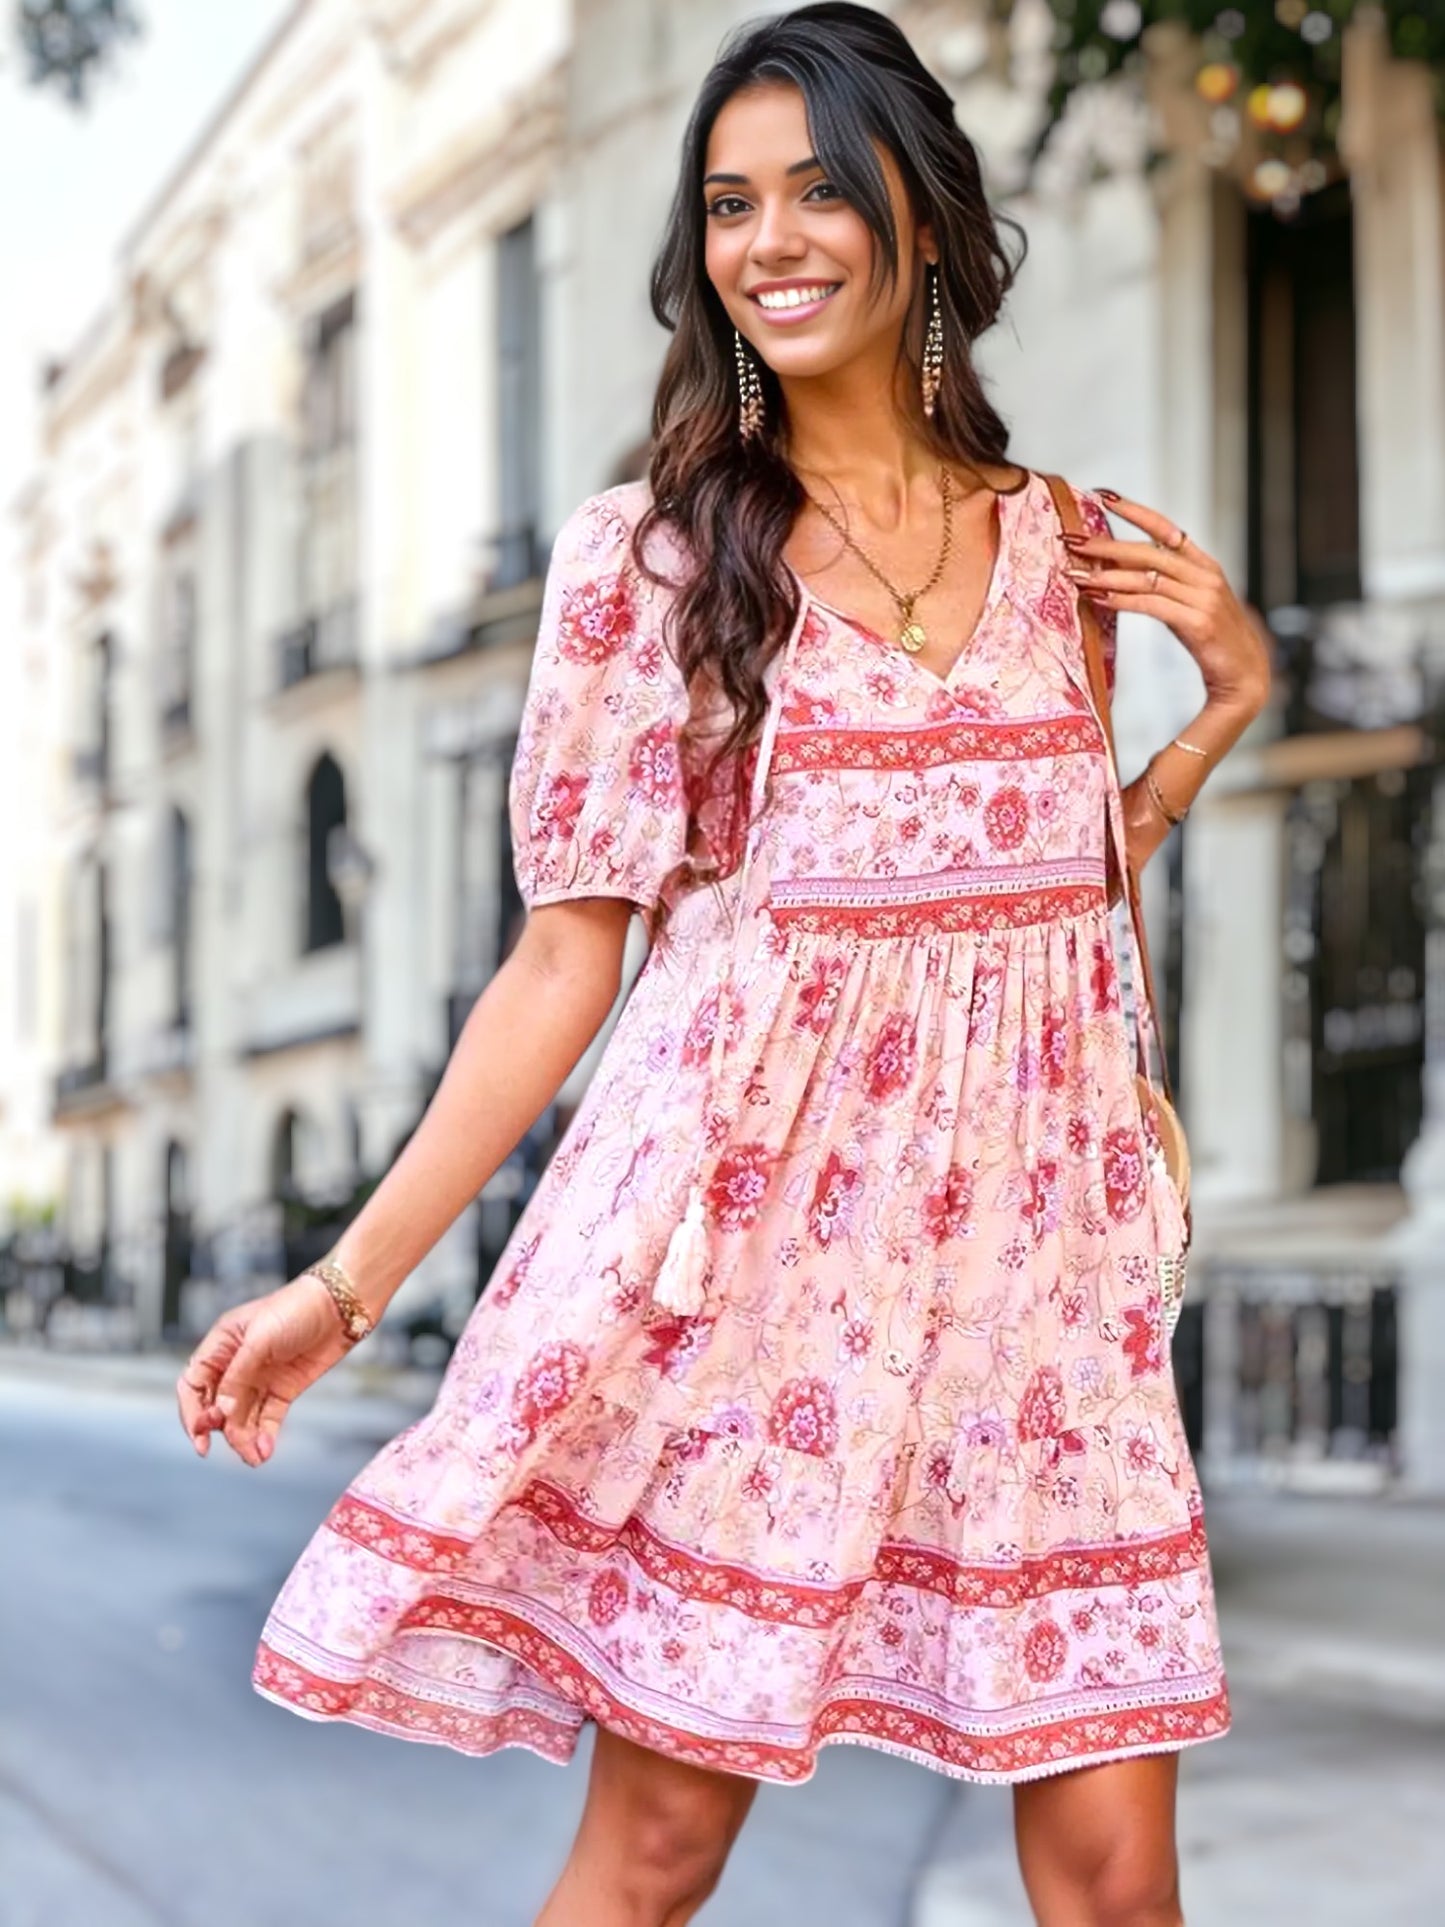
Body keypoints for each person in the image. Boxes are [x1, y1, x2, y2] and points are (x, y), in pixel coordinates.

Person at [177, 7, 1269, 1922]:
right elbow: (558, 965)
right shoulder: (657, 560)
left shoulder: (1064, 552)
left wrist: (1221, 705)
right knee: (656, 1859)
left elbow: (1037, 901)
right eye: (729, 204)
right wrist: (343, 1290)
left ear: (917, 217)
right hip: (761, 1292)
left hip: (1036, 1296)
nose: (769, 240)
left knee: (1114, 1882)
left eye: (819, 192)